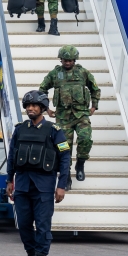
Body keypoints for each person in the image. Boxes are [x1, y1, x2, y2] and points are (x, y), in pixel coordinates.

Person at [6, 91, 72, 256]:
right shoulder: (20, 129)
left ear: (42, 108)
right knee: (25, 225)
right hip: (23, 184)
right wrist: (10, 180)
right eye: (28, 106)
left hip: (44, 184)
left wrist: (61, 185)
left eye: (34, 106)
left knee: (43, 226)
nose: (30, 109)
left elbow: (65, 157)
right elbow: (12, 156)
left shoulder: (54, 130)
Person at [39, 46, 100, 182]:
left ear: (75, 60)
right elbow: (42, 89)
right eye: (65, 60)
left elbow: (95, 89)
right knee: (63, 146)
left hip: (81, 115)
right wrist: (47, 109)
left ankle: (80, 164)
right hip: (62, 117)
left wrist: (94, 106)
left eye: (70, 60)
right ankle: (65, 175)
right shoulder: (55, 74)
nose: (67, 63)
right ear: (61, 60)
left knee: (85, 139)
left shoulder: (83, 72)